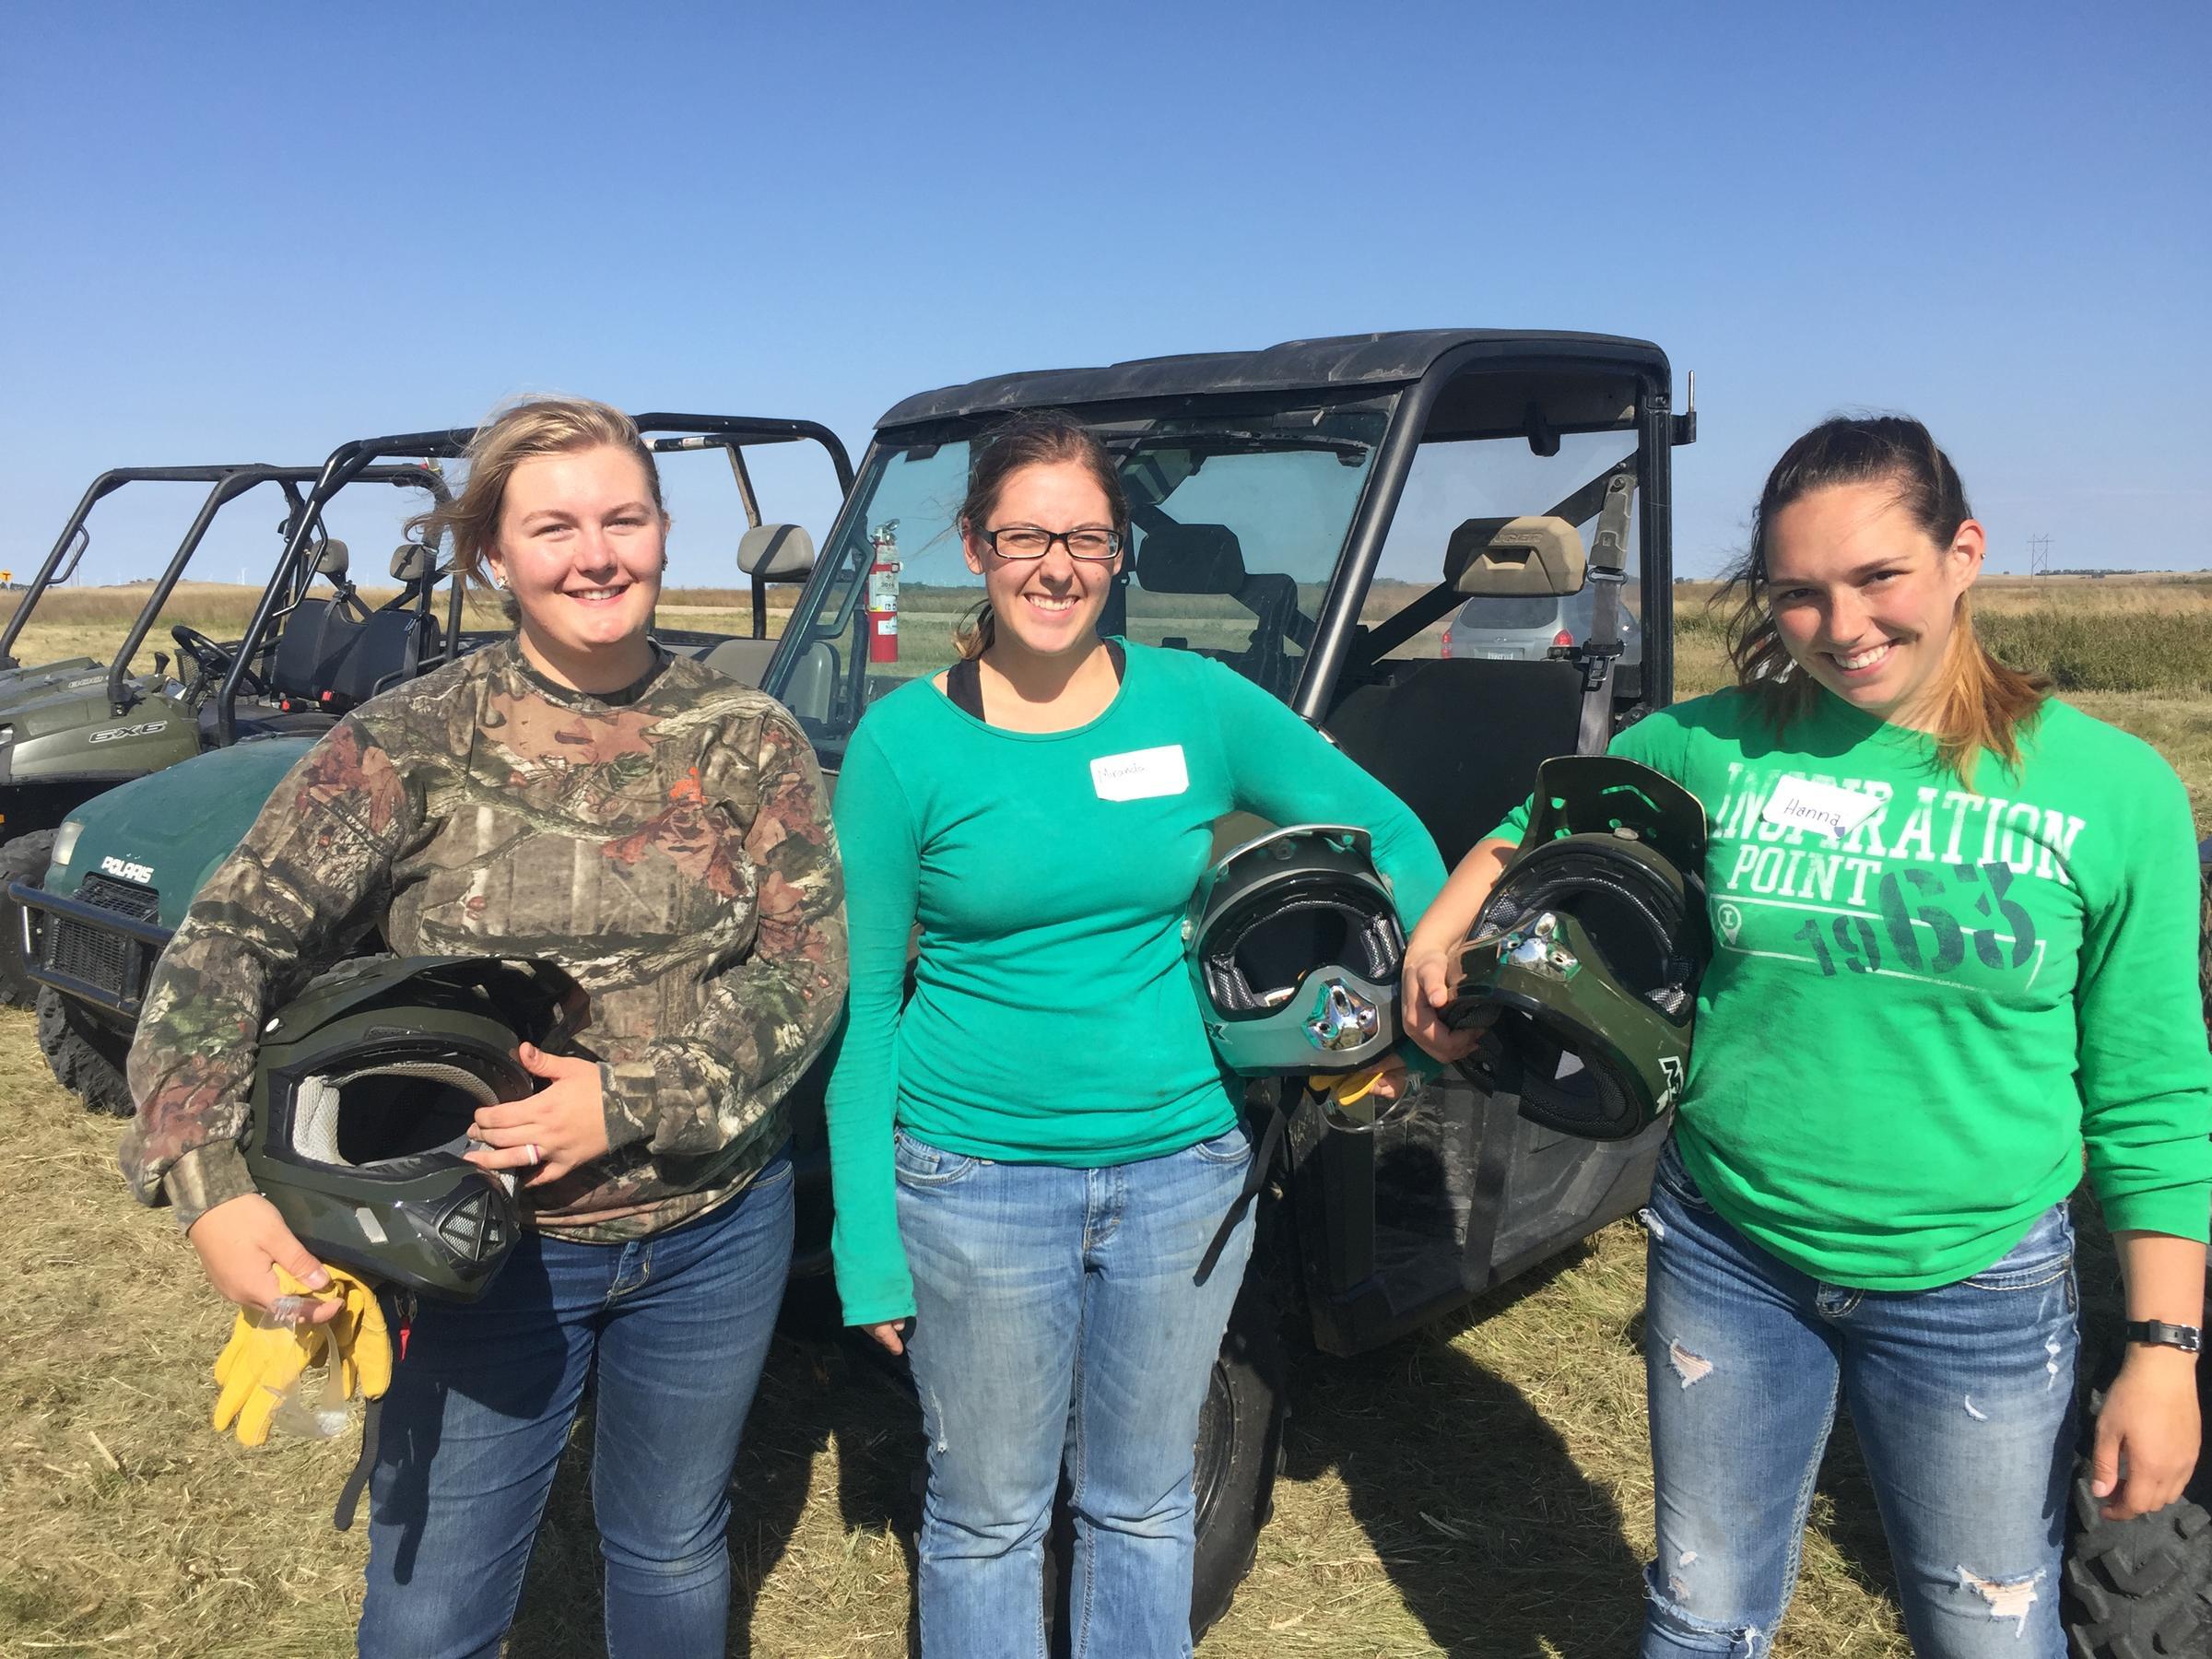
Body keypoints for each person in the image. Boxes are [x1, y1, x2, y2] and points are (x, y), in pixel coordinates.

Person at [1401, 414, 2210, 1657]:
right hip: (1731, 1255)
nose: (1843, 629)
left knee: (1983, 1628)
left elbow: (2154, 1089)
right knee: (1703, 1612)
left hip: (1975, 1283)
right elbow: (1543, 818)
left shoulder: (2112, 792)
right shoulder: (1712, 747)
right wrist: (1445, 932)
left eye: (1879, 578)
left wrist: (2164, 1350)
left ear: (1964, 553)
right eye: (1797, 596)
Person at [121, 397, 847, 1659]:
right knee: (436, 1603)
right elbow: (220, 955)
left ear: (665, 535)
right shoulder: (411, 742)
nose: (596, 553)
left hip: (715, 1232)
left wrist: (628, 1102)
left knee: (672, 1545)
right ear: (493, 557)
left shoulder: (748, 738)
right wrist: (211, 1183)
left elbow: (803, 970)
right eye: (553, 526)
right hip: (486, 1249)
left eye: (623, 518)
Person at [826, 410, 1447, 1658]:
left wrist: (1411, 1010)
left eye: (1088, 538)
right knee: (989, 1517)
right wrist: (867, 1242)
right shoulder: (903, 747)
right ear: (973, 544)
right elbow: (868, 1006)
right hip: (975, 1183)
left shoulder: (1197, 706)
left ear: (1120, 552)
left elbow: (1391, 834)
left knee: (1145, 1505)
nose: (1057, 565)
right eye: (1026, 536)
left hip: (1182, 1179)